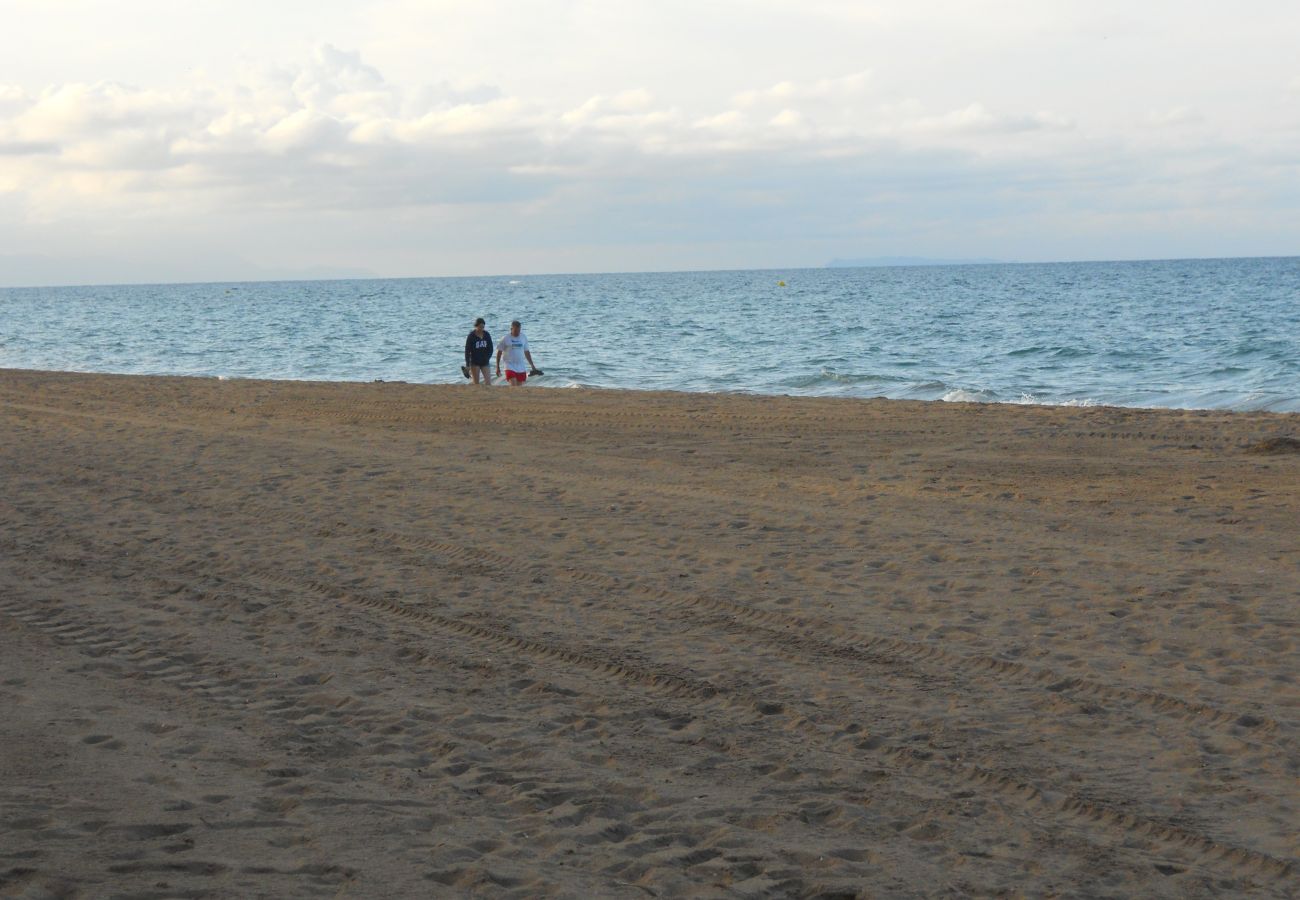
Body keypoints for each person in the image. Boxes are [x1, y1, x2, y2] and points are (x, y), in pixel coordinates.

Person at [495, 320, 538, 386]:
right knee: (514, 386)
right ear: (511, 329)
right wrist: (497, 367)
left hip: (521, 367)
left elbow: (527, 352)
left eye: (519, 330)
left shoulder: (523, 337)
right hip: (509, 366)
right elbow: (499, 352)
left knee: (518, 389)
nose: (517, 333)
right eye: (515, 331)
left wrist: (532, 365)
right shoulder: (506, 338)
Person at [463, 317, 493, 384]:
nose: (481, 329)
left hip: (485, 362)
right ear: (476, 326)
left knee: (488, 382)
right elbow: (467, 351)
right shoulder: (471, 336)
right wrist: (467, 364)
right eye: (480, 327)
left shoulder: (486, 335)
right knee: (476, 383)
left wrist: (487, 357)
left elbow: (490, 348)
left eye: (483, 327)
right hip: (474, 362)